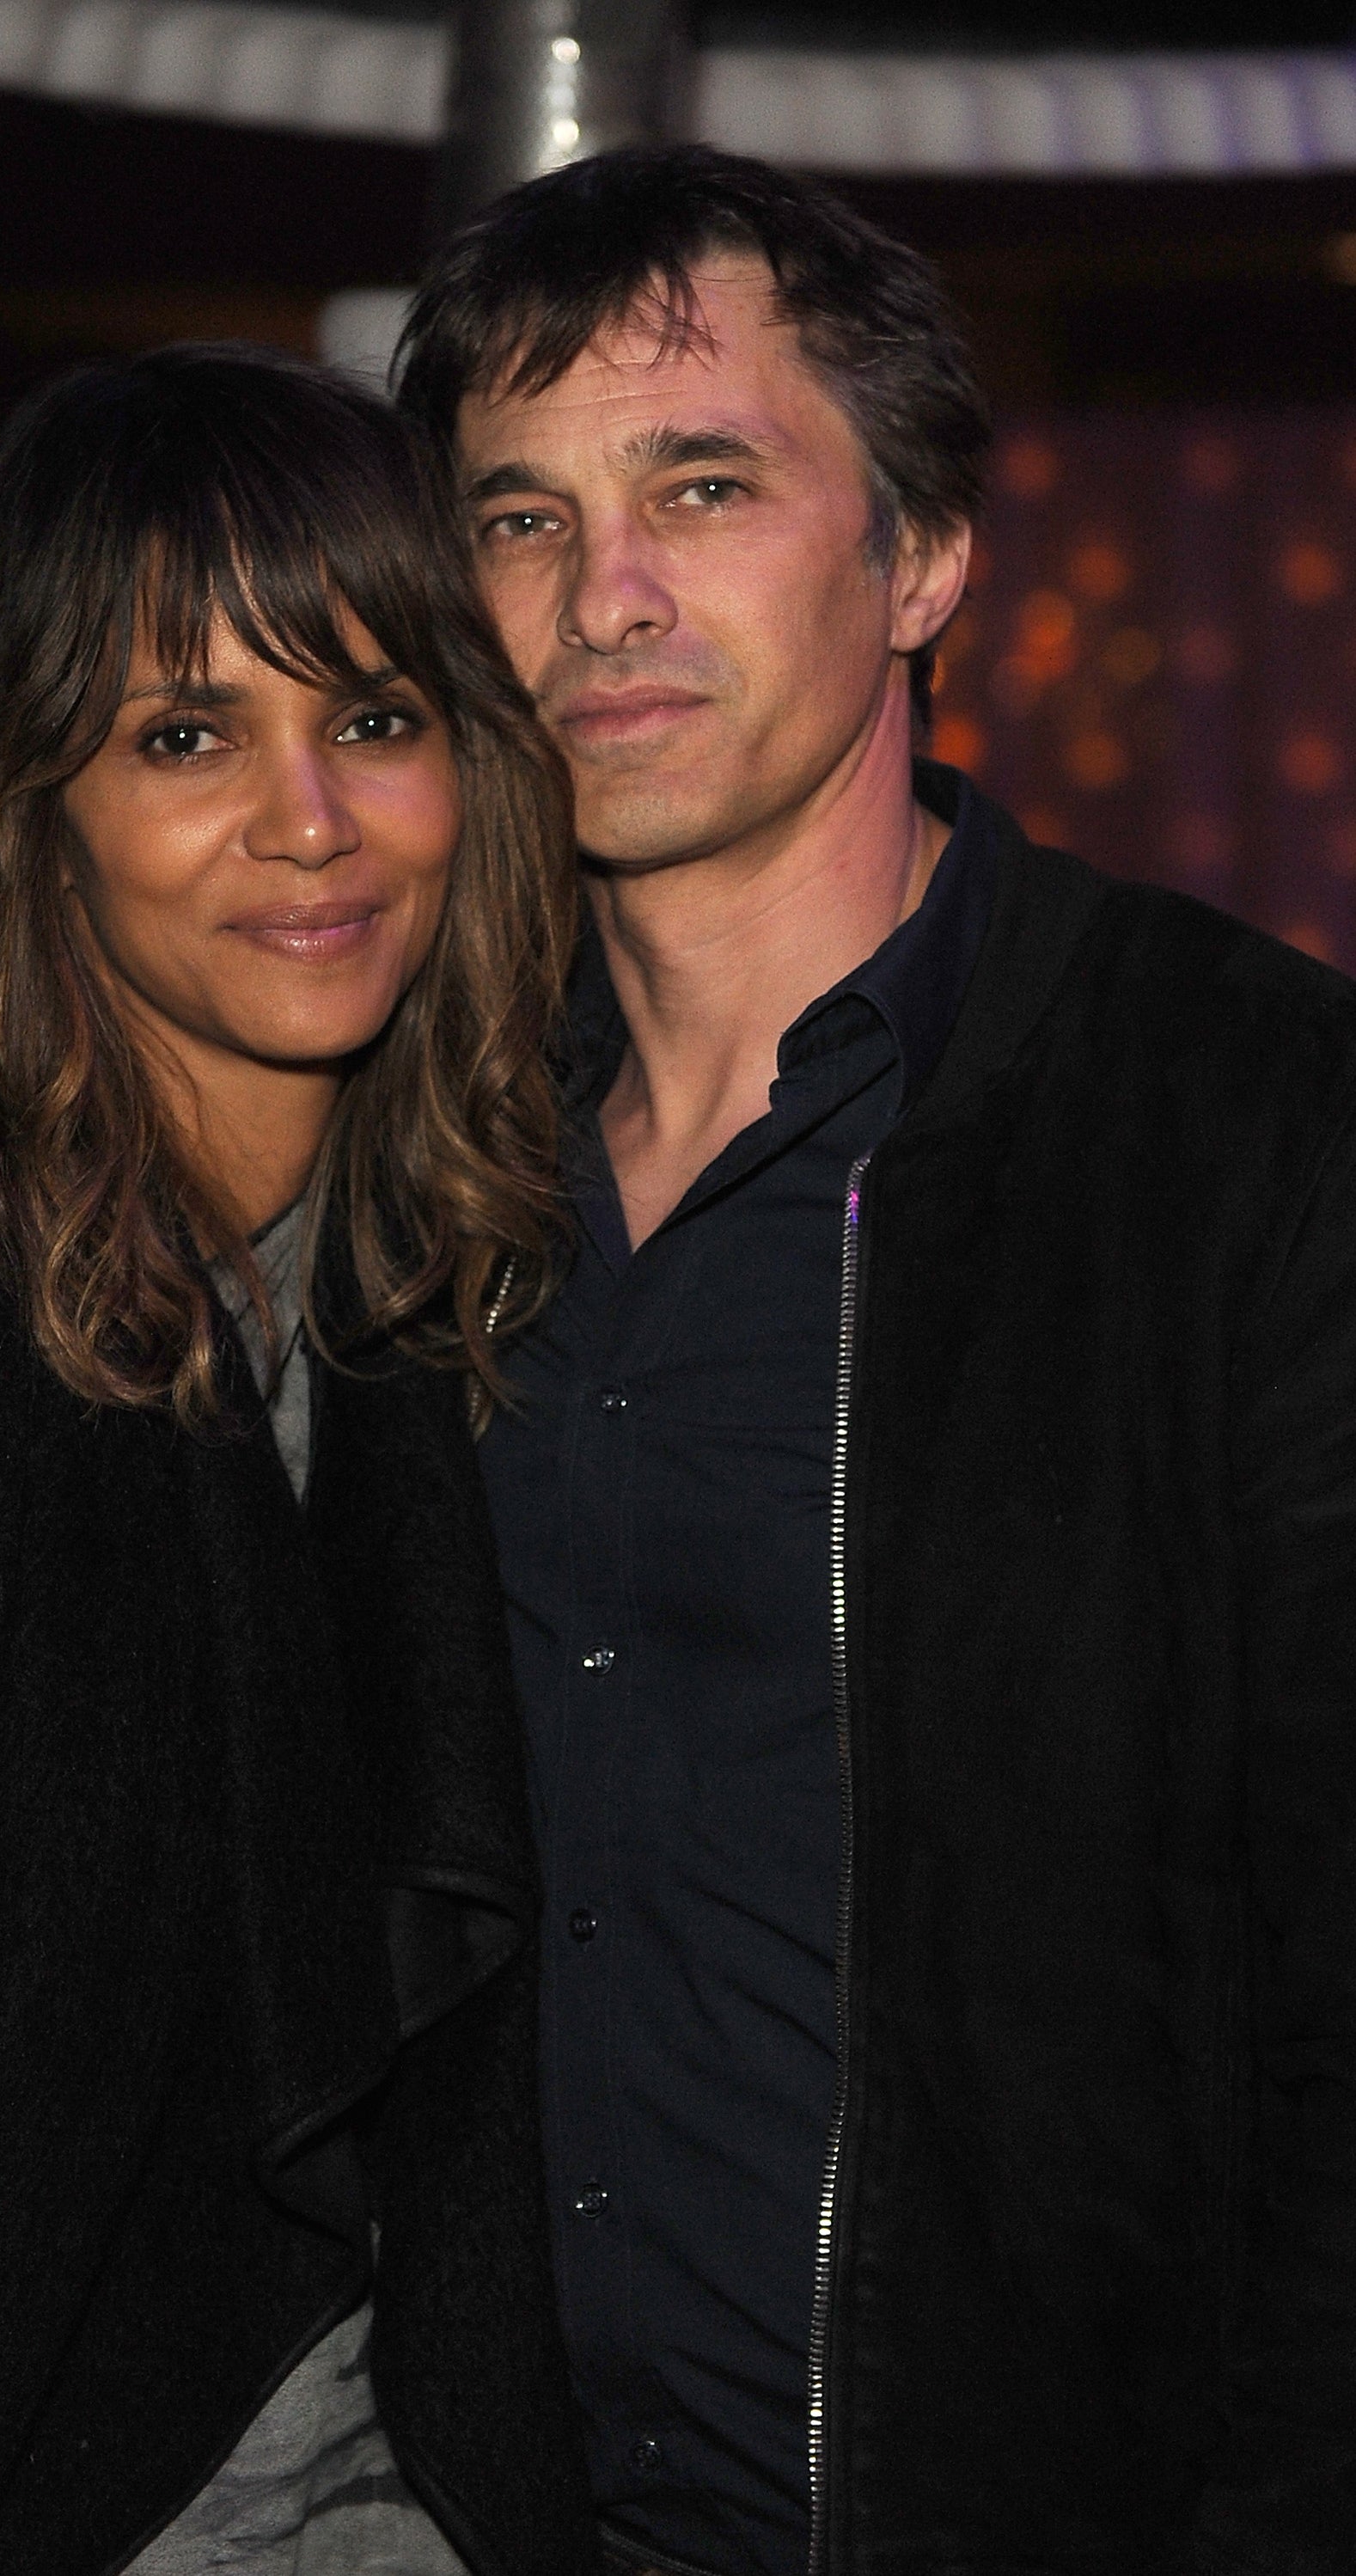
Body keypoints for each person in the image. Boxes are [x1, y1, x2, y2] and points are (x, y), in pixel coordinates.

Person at [395, 145, 1356, 2574]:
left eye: (698, 485)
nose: (600, 593)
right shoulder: (410, 1180)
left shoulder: (1240, 1120)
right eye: (519, 517)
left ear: (919, 554)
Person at [0, 346, 602, 2576]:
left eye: (374, 718)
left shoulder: (407, 1302)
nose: (310, 819)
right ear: (32, 808)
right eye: (184, 736)